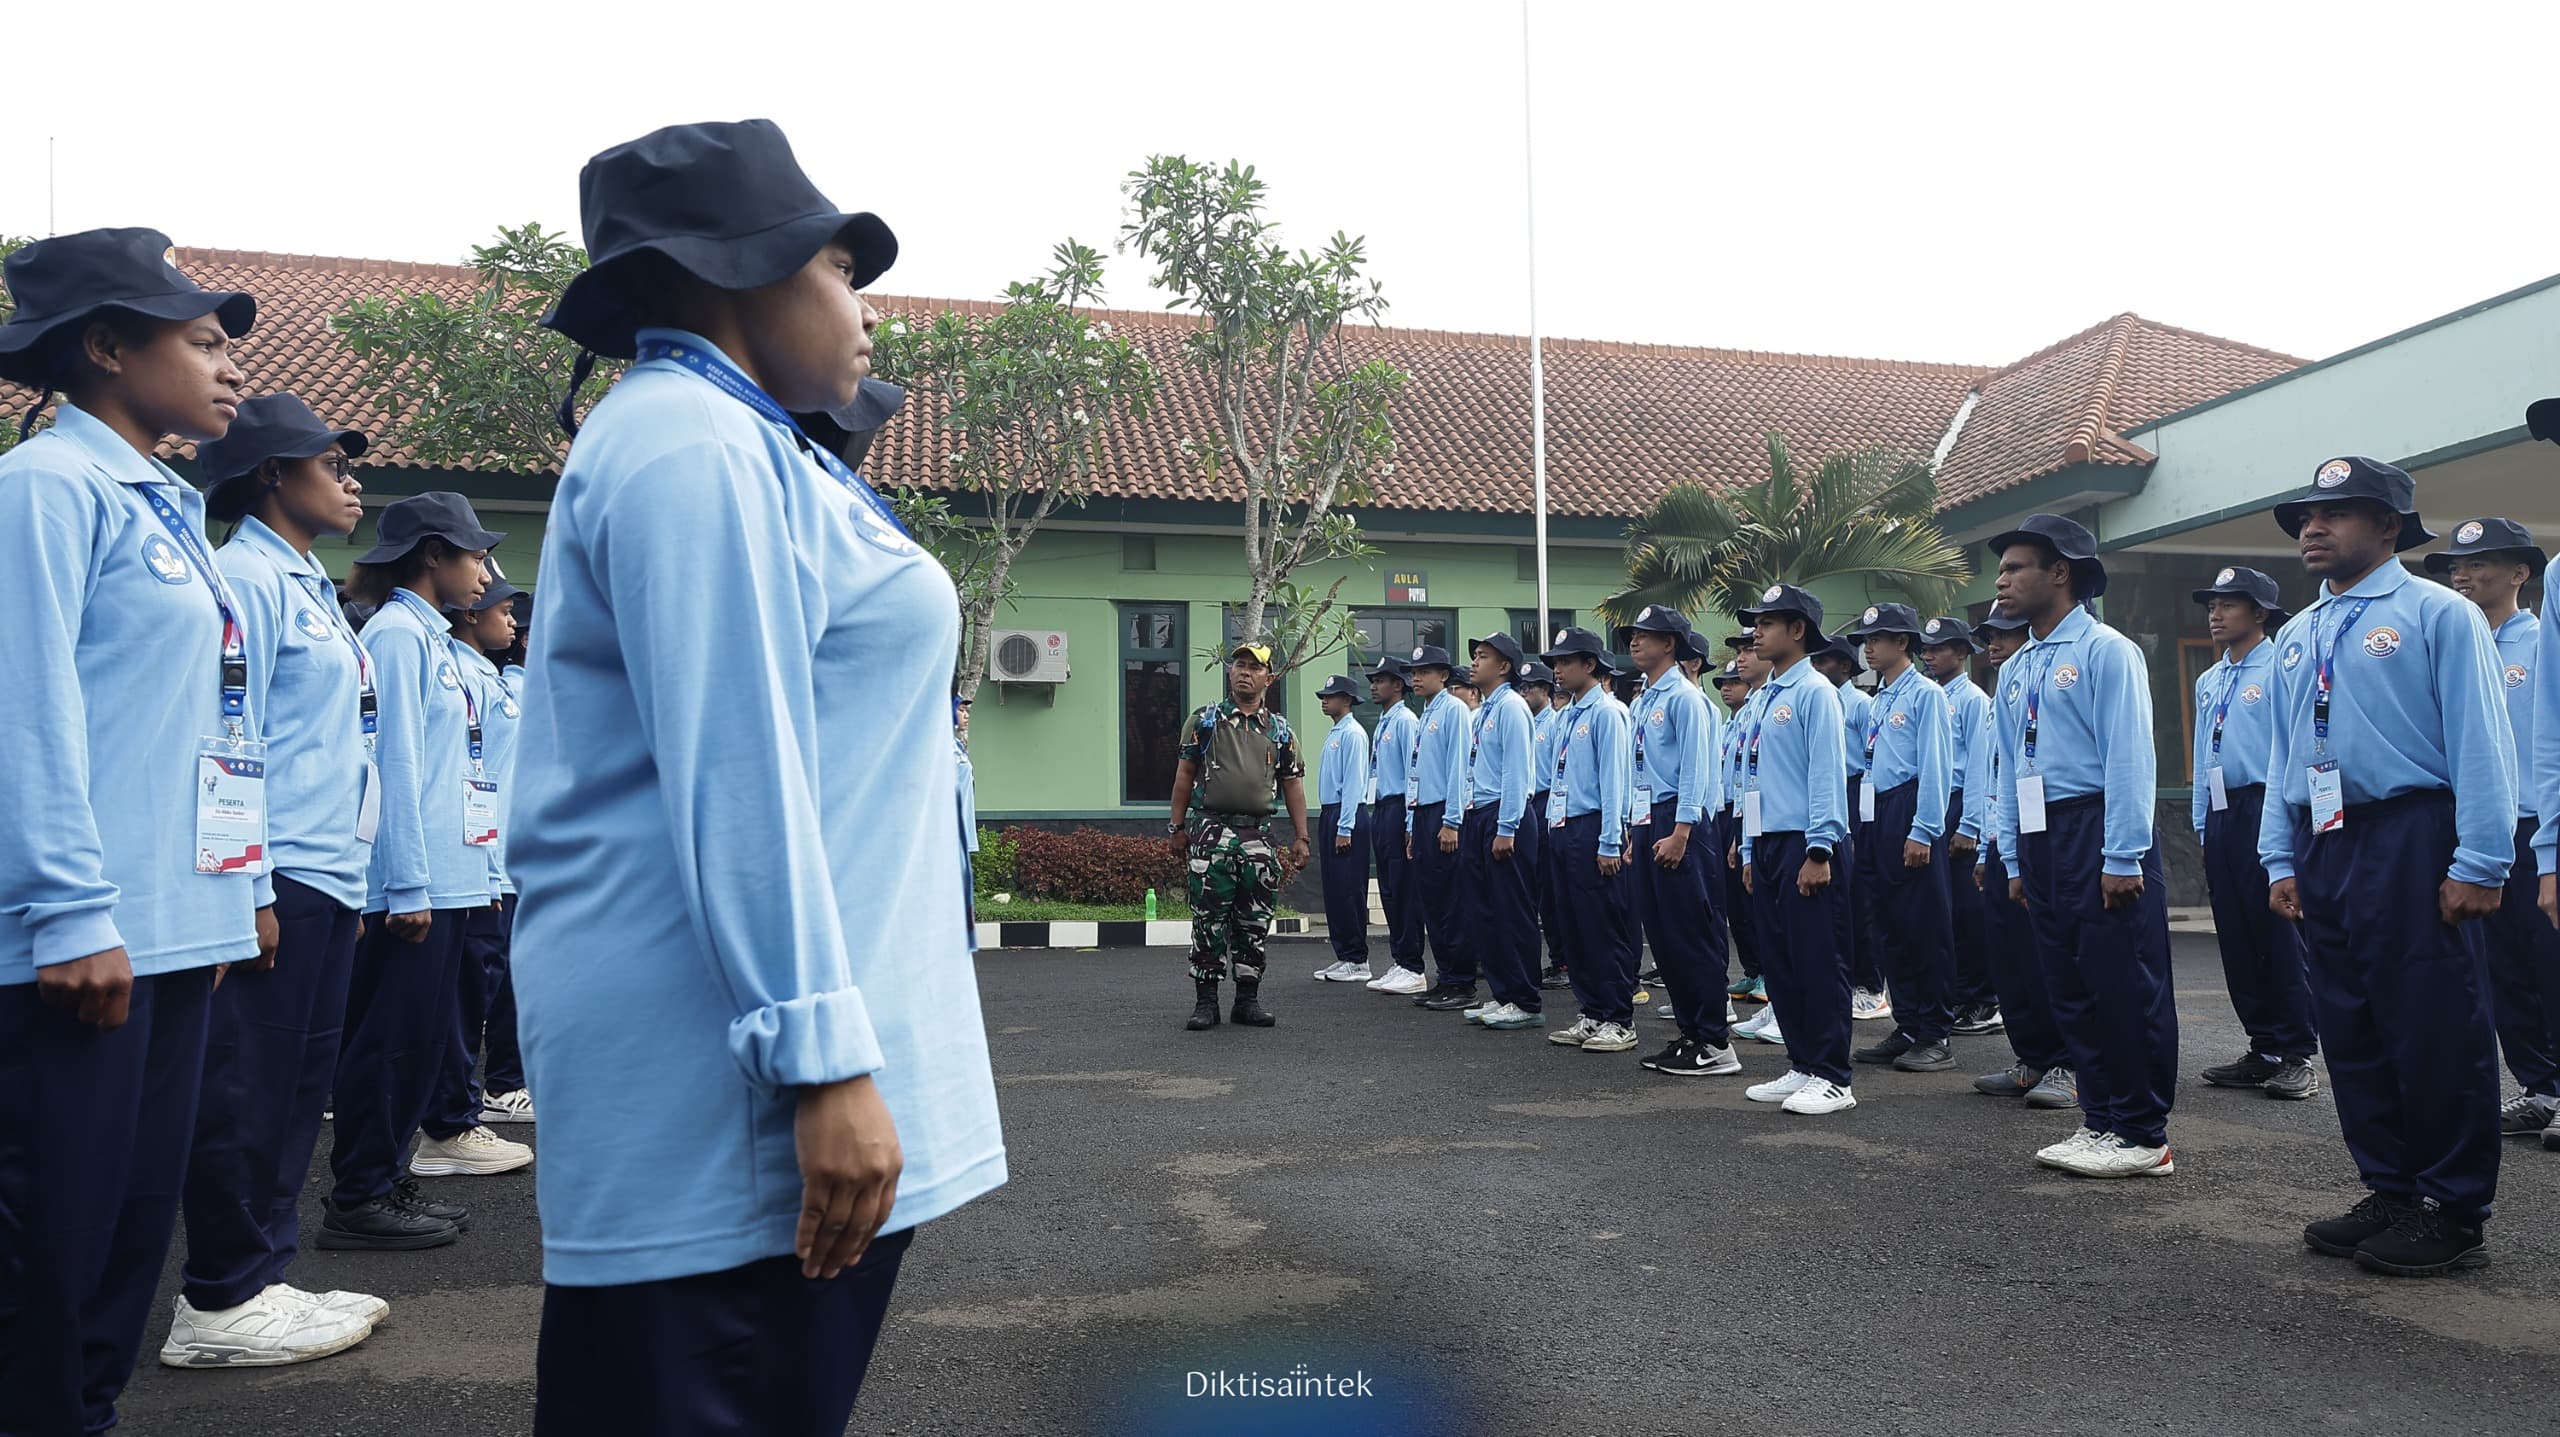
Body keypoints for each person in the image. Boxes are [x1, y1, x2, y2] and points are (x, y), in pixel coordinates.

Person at [513, 119, 1007, 1434]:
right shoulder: (687, 442)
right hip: (727, 1083)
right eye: (840, 270)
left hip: (768, 1061)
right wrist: (817, 1057)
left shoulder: (747, 446)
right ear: (736, 269)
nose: (864, 313)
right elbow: (740, 767)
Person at [0, 228, 278, 1432]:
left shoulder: (164, 509)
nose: (230, 369)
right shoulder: (45, 492)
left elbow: (199, 729)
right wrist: (68, 909)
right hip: (81, 943)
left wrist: (229, 894)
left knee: (124, 1241)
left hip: (169, 930)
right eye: (204, 341)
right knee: (44, 1252)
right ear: (106, 348)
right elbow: (28, 709)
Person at [167, 394, 388, 1369]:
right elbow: (228, 737)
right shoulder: (244, 578)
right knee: (247, 1089)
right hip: (281, 872)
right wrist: (245, 885)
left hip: (328, 872)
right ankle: (216, 1298)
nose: (352, 480)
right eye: (332, 463)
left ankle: (262, 1277)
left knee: (298, 1088)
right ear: (270, 475)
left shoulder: (306, 583)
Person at [2261, 459, 2513, 1275]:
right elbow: (2283, 754)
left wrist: (2481, 858)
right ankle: (2392, 1186)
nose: (2313, 527)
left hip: (2412, 829)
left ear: (2390, 526)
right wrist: (2278, 854)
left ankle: (2453, 1205)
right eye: (2307, 515)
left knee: (2432, 1020)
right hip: (2325, 836)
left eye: (2337, 513)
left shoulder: (2438, 613)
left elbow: (2481, 738)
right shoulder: (2298, 633)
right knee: (2352, 1022)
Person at [327, 493, 506, 1250]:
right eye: (474, 555)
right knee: (391, 1042)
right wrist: (405, 882)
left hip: (453, 876)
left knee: (424, 1041)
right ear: (433, 555)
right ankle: (359, 1194)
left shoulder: (437, 642)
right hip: (418, 883)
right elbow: (395, 763)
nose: (485, 572)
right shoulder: (400, 636)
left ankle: (387, 1176)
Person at [1988, 515, 2176, 1178]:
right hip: (2042, 838)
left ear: (2060, 572)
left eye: (2016, 568)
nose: (2002, 581)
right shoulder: (2015, 671)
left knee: (2122, 980)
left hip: (2097, 826)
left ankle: (2143, 1130)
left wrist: (2123, 853)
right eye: (2003, 569)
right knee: (2067, 982)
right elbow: (2010, 769)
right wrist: (2014, 857)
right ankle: (2100, 1118)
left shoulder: (2106, 650)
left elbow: (2130, 756)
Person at [2431, 520, 2560, 1144]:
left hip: (2538, 823)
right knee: (2502, 969)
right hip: (2478, 828)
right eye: (2457, 564)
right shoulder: (2450, 644)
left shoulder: (2542, 643)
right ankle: (2539, 1087)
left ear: (2520, 574)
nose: (2463, 573)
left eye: (2481, 563)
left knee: (2549, 962)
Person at [414, 578, 541, 1161]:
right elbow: (469, 774)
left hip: (492, 860)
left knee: (483, 987)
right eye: (505, 610)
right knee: (466, 997)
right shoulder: (462, 671)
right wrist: (488, 862)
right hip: (476, 859)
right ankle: (458, 1116)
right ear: (470, 614)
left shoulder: (486, 678)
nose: (512, 621)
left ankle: (467, 1107)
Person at [2185, 567, 2319, 1100]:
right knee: (2237, 935)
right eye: (2211, 605)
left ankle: (2297, 1052)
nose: (2215, 614)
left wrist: (2286, 824)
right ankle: (2261, 1046)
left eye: (2229, 605)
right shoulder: (2209, 678)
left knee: (2278, 934)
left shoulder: (2281, 667)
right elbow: (2204, 754)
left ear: (2260, 614)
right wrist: (2201, 823)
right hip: (2223, 812)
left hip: (2268, 802)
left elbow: (2289, 749)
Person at [1734, 586, 1855, 1113]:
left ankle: (1833, 1076)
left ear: (1798, 630)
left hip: (1807, 842)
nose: (1756, 632)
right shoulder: (1763, 697)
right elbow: (1751, 778)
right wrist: (1746, 848)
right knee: (1781, 960)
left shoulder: (1815, 692)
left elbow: (1827, 772)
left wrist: (1821, 849)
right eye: (1755, 624)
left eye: (1767, 623)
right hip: (1767, 843)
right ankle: (1803, 1063)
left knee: (1817, 959)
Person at [1966, 610, 2077, 1111]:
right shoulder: (2002, 694)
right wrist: (1994, 845)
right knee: (2008, 950)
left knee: (2049, 952)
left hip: (2057, 824)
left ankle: (2070, 1063)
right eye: (1988, 636)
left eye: (2004, 634)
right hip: (2006, 833)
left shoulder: (2053, 682)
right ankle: (2031, 1054)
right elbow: (1994, 777)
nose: (1993, 644)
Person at [1621, 606, 1738, 1077]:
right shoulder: (1644, 699)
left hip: (1679, 820)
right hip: (1651, 819)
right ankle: (1691, 1034)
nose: (1634, 642)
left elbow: (1695, 769)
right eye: (1632, 635)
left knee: (1692, 931)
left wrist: (1683, 830)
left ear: (1670, 644)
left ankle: (1714, 1042)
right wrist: (1633, 828)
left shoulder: (1685, 699)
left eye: (1645, 636)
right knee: (1665, 936)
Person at [1841, 604, 1958, 1073]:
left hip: (1908, 807)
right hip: (1876, 812)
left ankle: (1935, 1031)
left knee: (1922, 925)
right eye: (1866, 639)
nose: (1868, 646)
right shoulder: (1880, 698)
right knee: (1886, 922)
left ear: (1903, 644)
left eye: (1879, 638)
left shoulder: (1925, 694)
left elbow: (1936, 766)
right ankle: (1908, 1023)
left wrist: (1924, 829)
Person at [1169, 643, 1311, 1029]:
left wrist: (1302, 835)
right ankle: (1206, 1002)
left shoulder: (1279, 729)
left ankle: (1247, 1000)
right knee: (1208, 919)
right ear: (1230, 673)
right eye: (1239, 665)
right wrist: (1176, 827)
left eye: (1254, 667)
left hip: (1258, 835)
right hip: (1211, 831)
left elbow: (1293, 784)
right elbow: (1184, 775)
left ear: (1270, 677)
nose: (1244, 672)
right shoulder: (1204, 721)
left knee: (1254, 920)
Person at [1539, 629, 1641, 1052]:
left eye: (1566, 662)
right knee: (1574, 924)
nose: (1558, 670)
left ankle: (1618, 1016)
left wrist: (1610, 839)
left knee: (1603, 924)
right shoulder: (1567, 715)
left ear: (1591, 665)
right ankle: (1591, 1010)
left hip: (1593, 825)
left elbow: (1615, 779)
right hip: (1563, 826)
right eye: (1556, 663)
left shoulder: (1608, 712)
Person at [1451, 633, 1545, 1030]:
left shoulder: (1511, 708)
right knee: (1485, 911)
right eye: (1474, 656)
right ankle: (1503, 993)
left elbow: (1516, 772)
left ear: (1504, 666)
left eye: (1483, 656)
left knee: (1512, 910)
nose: (1474, 662)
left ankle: (1524, 998)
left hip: (1506, 816)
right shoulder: (1485, 710)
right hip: (1480, 814)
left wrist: (1506, 827)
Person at [1922, 616, 2000, 1036]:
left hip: (1960, 805)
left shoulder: (1971, 699)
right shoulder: (1930, 696)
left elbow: (1977, 767)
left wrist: (1970, 823)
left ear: (1963, 653)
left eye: (1941, 648)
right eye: (1927, 649)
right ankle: (1956, 991)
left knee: (1969, 910)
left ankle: (1983, 999)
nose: (1930, 655)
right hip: (1936, 804)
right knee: (1944, 909)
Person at [1813, 636, 1886, 1023]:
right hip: (1833, 788)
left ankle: (1871, 986)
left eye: (1826, 661)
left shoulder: (1859, 704)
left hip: (1857, 789)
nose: (1818, 666)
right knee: (1842, 894)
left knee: (1862, 895)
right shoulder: (1820, 698)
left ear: (1845, 666)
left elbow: (1870, 758)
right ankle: (1851, 977)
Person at [1403, 646, 1478, 1010]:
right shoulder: (1426, 712)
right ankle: (1446, 976)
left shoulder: (1454, 711)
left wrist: (1452, 821)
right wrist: (1410, 824)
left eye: (1425, 671)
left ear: (1444, 676)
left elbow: (1459, 769)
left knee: (1452, 901)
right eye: (1414, 671)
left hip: (1443, 815)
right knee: (1431, 900)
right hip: (1422, 814)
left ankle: (1462, 981)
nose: (1416, 677)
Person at [1362, 656, 1428, 995]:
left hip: (1400, 806)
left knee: (1404, 889)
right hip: (1382, 808)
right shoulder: (1385, 720)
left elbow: (1412, 773)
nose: (1374, 685)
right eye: (1373, 679)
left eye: (1381, 680)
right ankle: (1400, 959)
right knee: (1388, 888)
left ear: (1398, 685)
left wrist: (1410, 822)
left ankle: (1413, 966)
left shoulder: (1405, 721)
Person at [1310, 675, 1374, 983]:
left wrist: (1345, 826)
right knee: (1335, 890)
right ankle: (1344, 955)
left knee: (1349, 889)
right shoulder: (1337, 732)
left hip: (1346, 815)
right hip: (1330, 814)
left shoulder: (1353, 734)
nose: (1324, 700)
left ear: (1346, 700)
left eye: (1331, 695)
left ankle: (1358, 959)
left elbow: (1353, 785)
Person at [1714, 655, 1766, 1006]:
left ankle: (1766, 973)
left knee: (1754, 899)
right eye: (1723, 684)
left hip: (1753, 809)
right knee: (1735, 902)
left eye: (1733, 682)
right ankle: (1751, 968)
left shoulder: (1754, 715)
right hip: (1731, 810)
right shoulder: (1728, 724)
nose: (1727, 688)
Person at [1524, 661, 1571, 990]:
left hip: (1549, 802)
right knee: (1537, 887)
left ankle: (1563, 959)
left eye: (1531, 687)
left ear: (1546, 691)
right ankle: (1555, 957)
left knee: (1554, 888)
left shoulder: (1553, 723)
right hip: (1530, 802)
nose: (1524, 692)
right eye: (1522, 687)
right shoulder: (1524, 721)